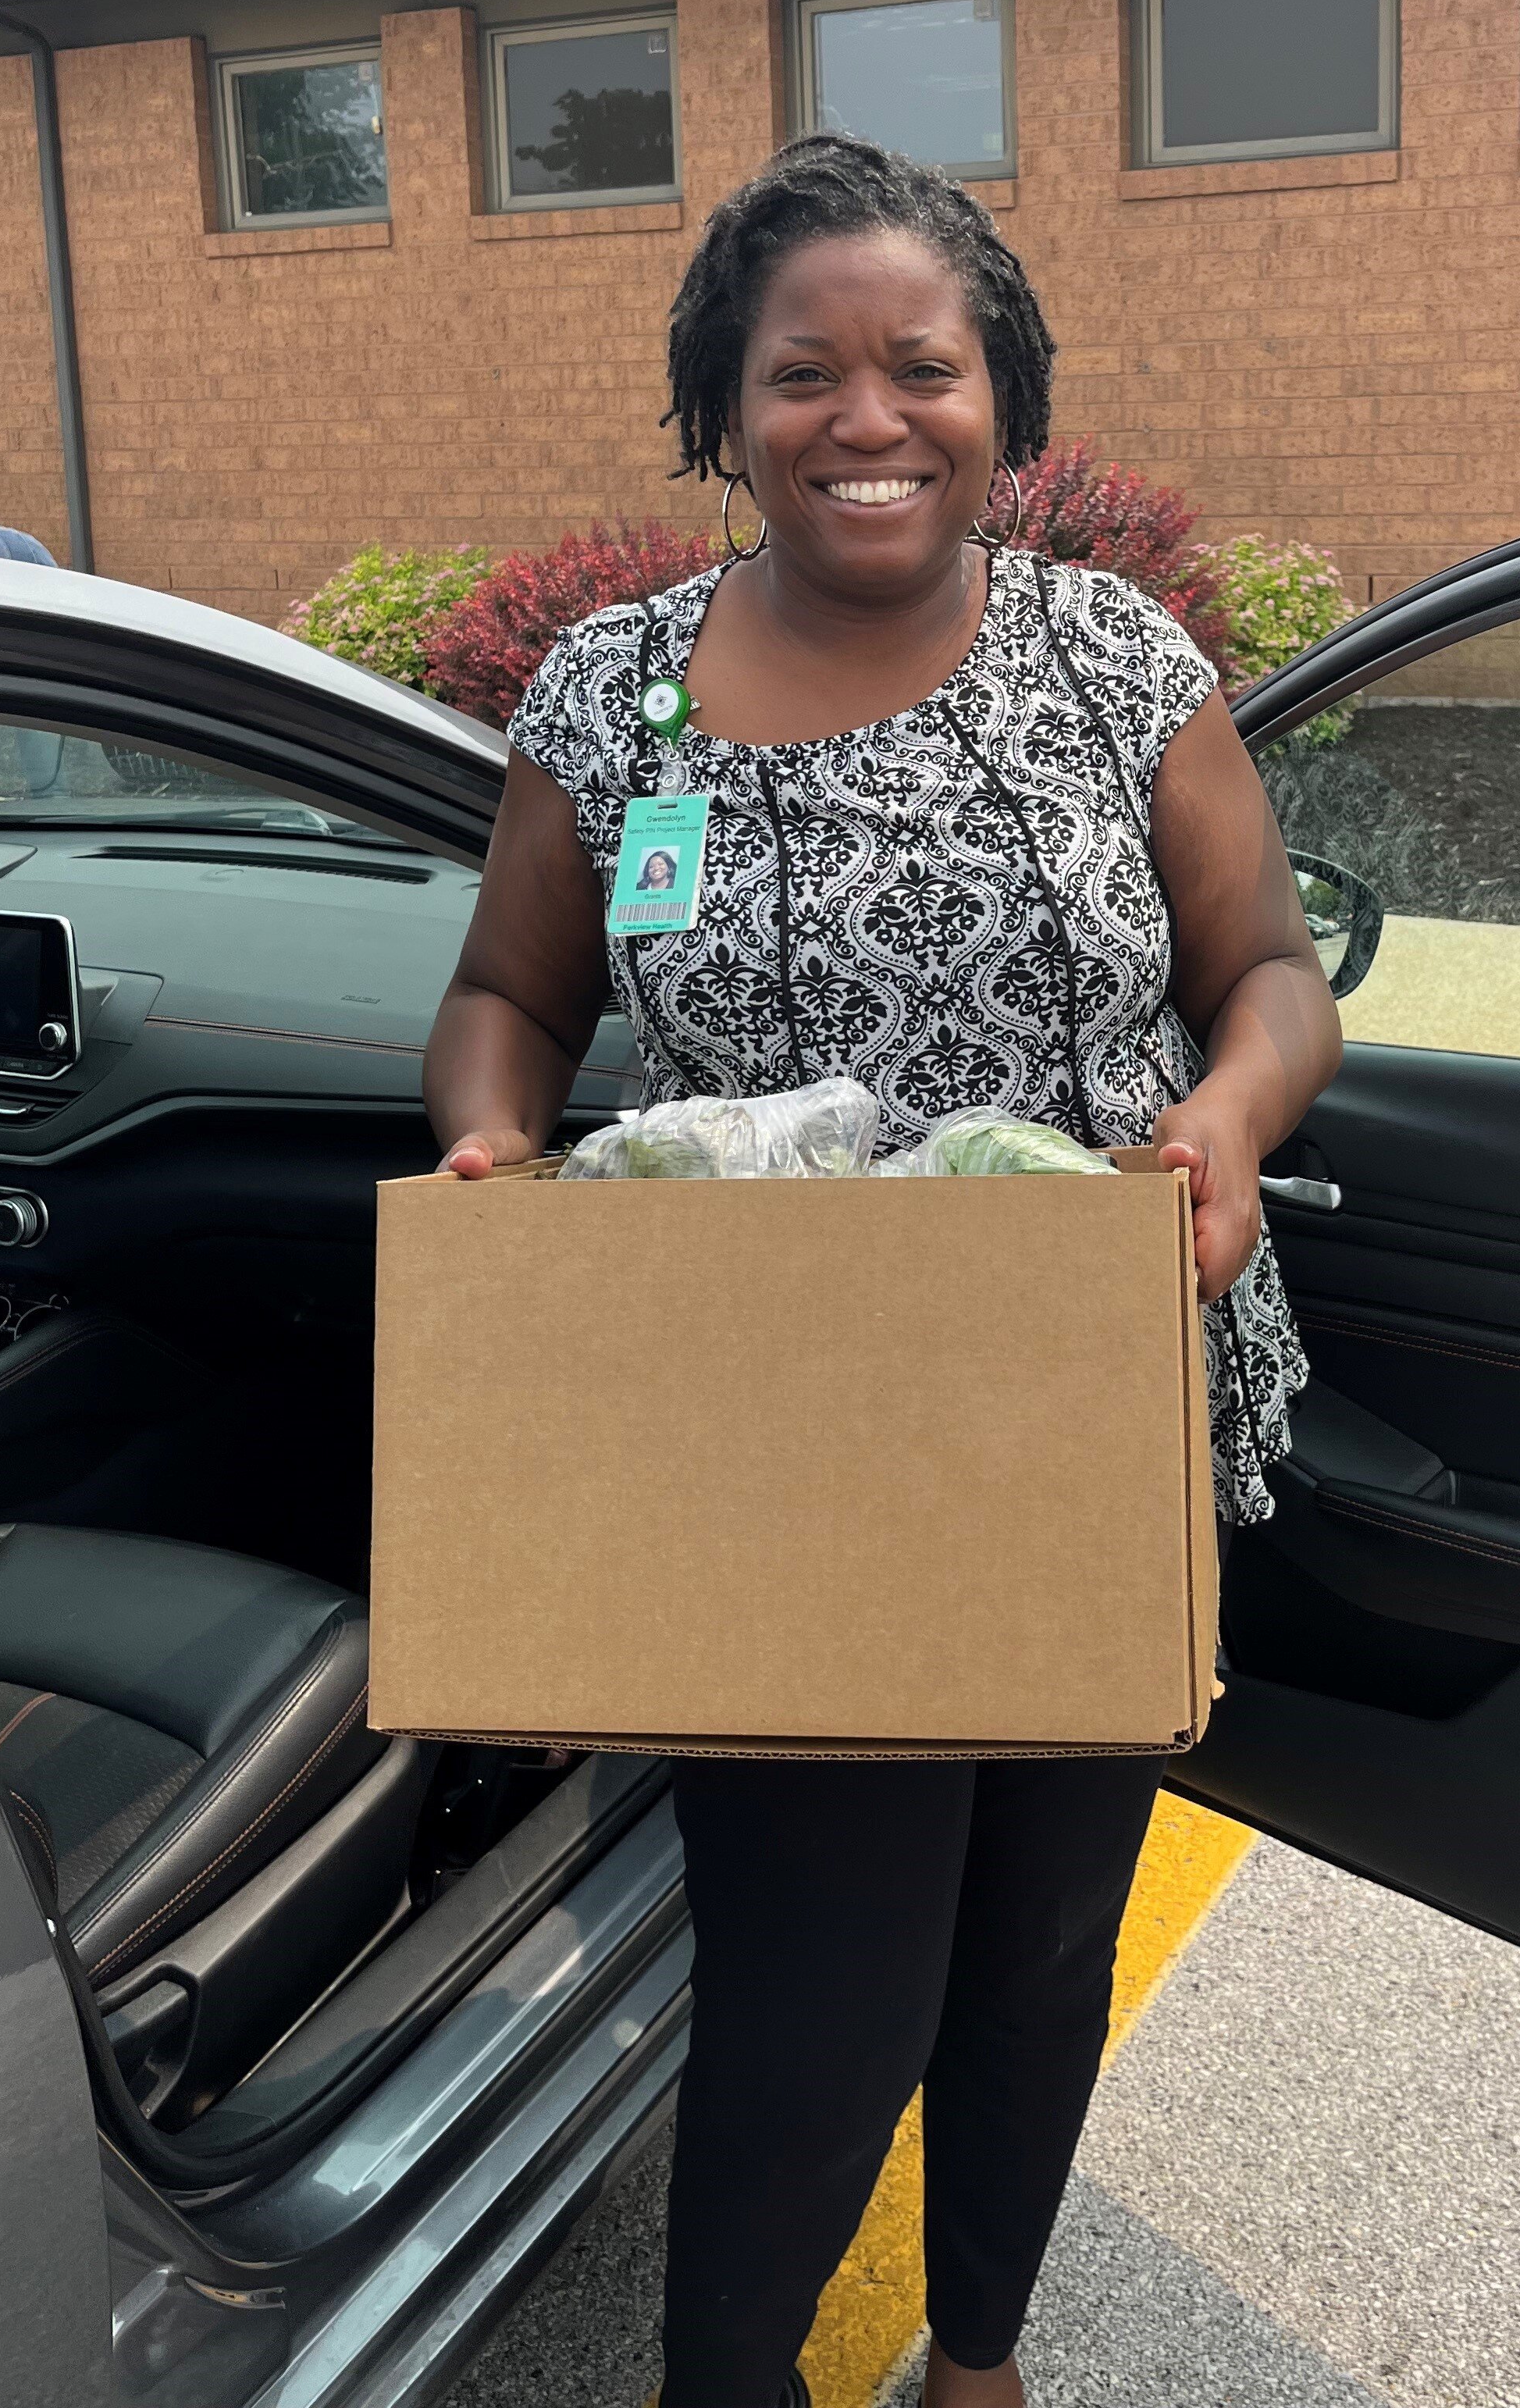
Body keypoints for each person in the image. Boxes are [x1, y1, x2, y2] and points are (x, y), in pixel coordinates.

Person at [425, 133, 1343, 2408]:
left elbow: (1275, 973)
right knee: (823, 1996)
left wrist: (1225, 1121)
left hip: (1087, 1388)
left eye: (919, 365)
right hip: (769, 1432)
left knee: (1037, 1955)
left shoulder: (1110, 659)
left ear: (998, 397)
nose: (866, 415)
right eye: (802, 370)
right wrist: (482, 1147)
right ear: (724, 412)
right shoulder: (615, 695)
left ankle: (982, 2362)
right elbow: (510, 999)